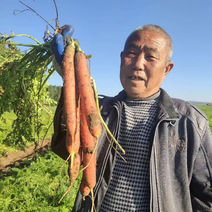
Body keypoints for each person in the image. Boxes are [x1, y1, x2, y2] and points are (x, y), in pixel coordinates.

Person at [51, 24, 212, 212]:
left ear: (167, 69)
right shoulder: (98, 110)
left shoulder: (190, 121)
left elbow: (207, 194)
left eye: (151, 56)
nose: (138, 63)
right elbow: (65, 149)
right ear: (121, 59)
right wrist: (70, 77)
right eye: (131, 53)